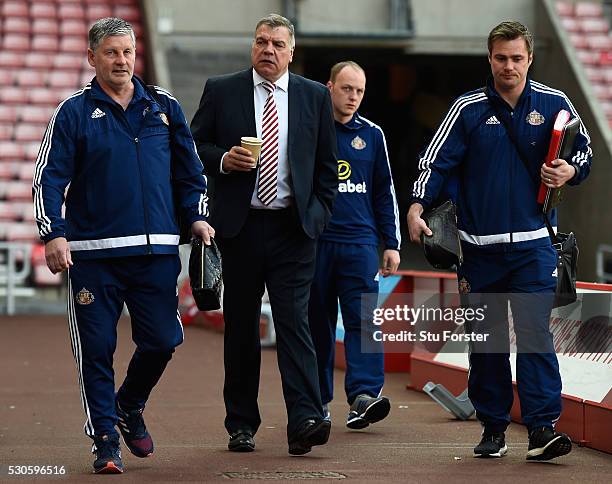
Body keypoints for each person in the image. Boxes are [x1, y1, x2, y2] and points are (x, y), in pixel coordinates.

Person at [32, 17, 214, 474]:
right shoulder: (72, 111)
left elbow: (190, 173)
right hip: (93, 258)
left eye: (128, 51)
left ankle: (128, 405)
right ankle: (105, 440)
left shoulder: (164, 106)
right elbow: (47, 180)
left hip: (155, 254)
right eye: (111, 52)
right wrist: (53, 233)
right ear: (91, 57)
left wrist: (196, 216)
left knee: (164, 339)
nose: (121, 60)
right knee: (95, 349)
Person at [407, 21, 591, 461]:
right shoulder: (466, 109)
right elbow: (433, 162)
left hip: (534, 247)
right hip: (478, 250)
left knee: (534, 337)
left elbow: (583, 152)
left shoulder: (555, 103)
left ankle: (543, 428)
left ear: (530, 58)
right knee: (486, 342)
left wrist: (569, 170)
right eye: (500, 58)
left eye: (516, 58)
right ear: (489, 59)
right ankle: (493, 427)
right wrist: (416, 206)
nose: (508, 66)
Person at [190, 13, 337, 455]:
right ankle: (240, 423)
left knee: (295, 323)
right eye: (260, 42)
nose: (267, 50)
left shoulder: (314, 96)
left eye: (276, 43)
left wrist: (318, 214)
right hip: (239, 227)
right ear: (251, 47)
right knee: (240, 328)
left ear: (292, 51)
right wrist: (223, 160)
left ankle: (305, 419)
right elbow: (192, 146)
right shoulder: (222, 89)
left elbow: (327, 164)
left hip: (294, 228)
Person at [308, 61, 400, 429]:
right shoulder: (309, 130)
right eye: (347, 89)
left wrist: (390, 243)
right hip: (315, 243)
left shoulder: (373, 135)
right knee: (316, 323)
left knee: (363, 321)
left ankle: (364, 396)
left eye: (359, 91)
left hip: (360, 245)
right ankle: (316, 402)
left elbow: (384, 190)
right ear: (329, 87)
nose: (353, 97)